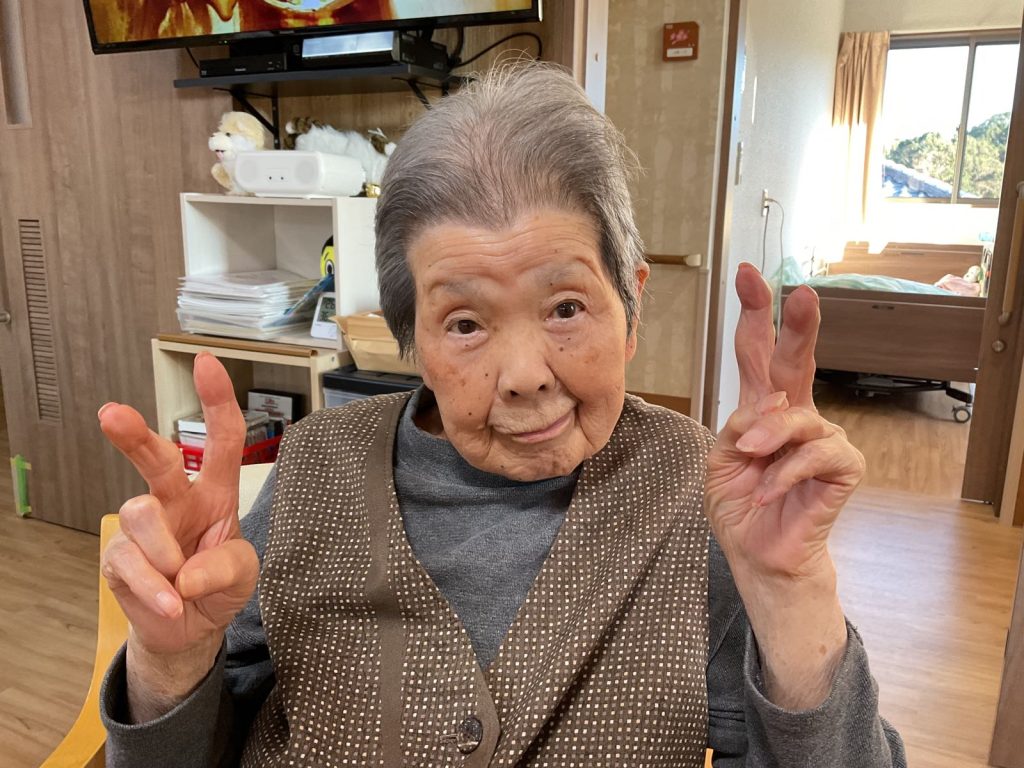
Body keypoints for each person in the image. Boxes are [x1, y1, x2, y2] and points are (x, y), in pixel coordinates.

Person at [97, 63, 906, 766]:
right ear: (413, 339)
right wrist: (170, 665)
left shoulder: (709, 499)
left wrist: (794, 595)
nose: (523, 376)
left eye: (565, 307)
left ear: (631, 307)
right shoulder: (317, 464)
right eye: (465, 324)